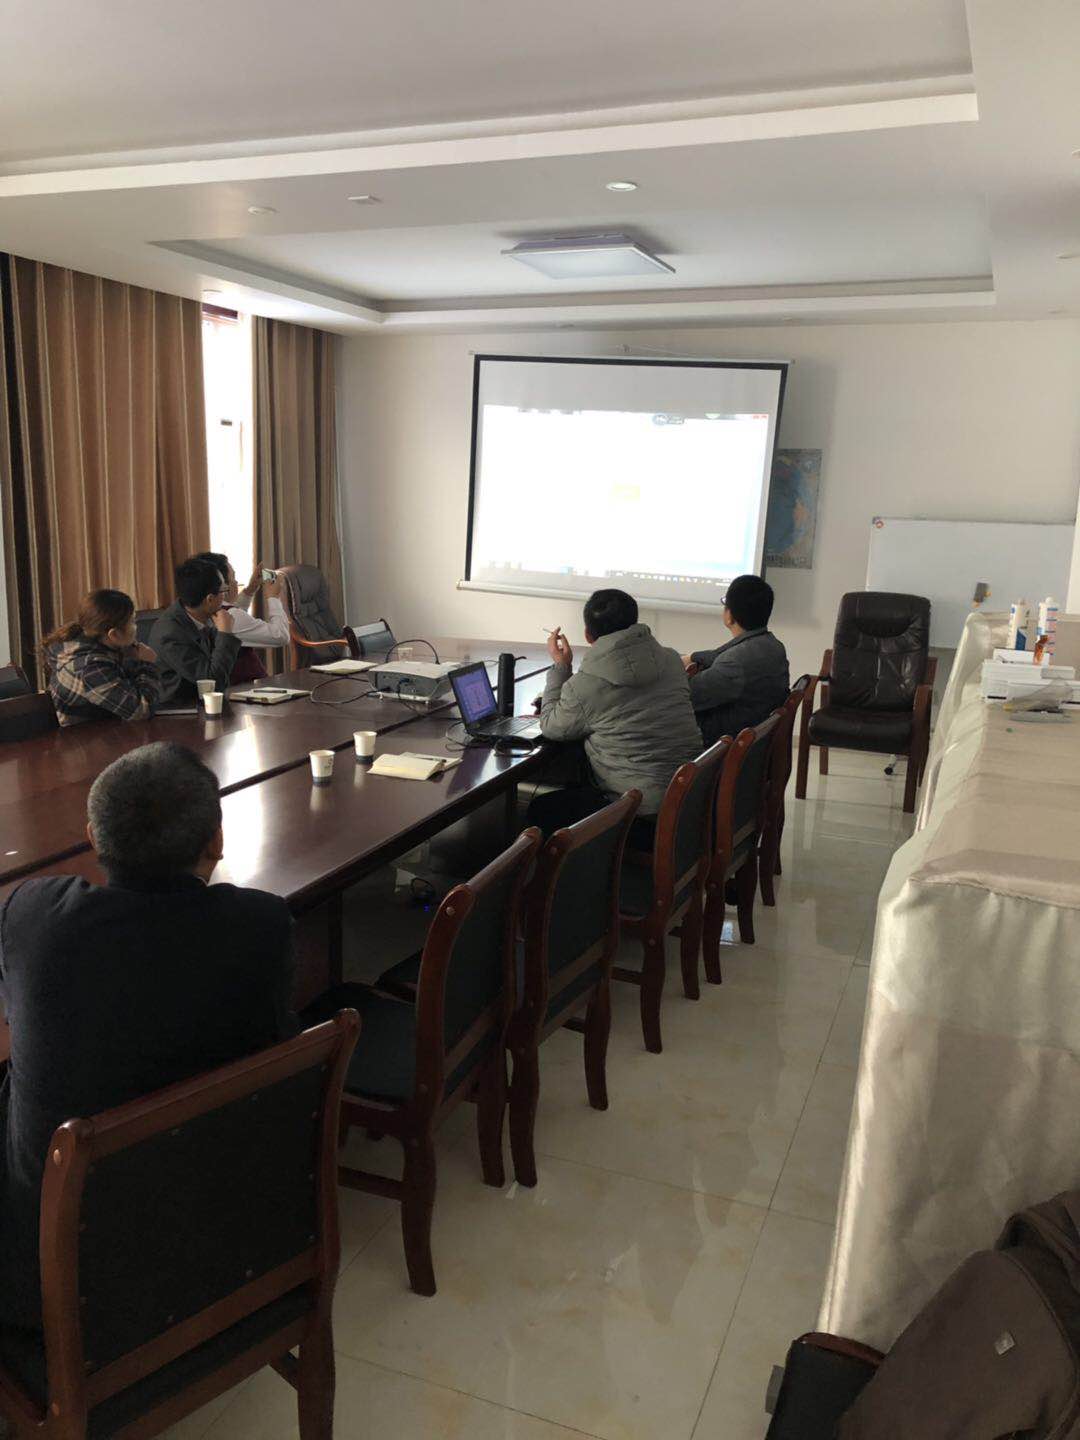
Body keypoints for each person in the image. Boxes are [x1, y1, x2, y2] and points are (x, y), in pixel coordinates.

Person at [0, 741, 297, 1327]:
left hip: (52, 1275)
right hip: (223, 1245)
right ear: (216, 840)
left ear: (93, 836)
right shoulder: (264, 926)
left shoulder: (35, 916)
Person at [529, 588, 703, 835]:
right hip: (690, 796)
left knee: (541, 809)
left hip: (640, 812)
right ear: (635, 622)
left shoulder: (585, 686)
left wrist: (561, 666)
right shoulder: (672, 660)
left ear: (588, 635)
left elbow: (550, 725)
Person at [683, 574, 790, 746]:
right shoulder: (773, 646)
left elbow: (684, 696)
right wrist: (692, 657)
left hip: (719, 744)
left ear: (729, 615)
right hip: (754, 738)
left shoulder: (734, 663)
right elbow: (722, 654)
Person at [40, 588, 161, 726]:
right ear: (114, 634)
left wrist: (131, 660)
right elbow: (141, 710)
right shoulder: (91, 668)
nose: (136, 627)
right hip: (83, 737)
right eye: (132, 622)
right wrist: (147, 665)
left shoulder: (99, 648)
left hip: (108, 731)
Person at [148, 556, 242, 704]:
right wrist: (225, 634)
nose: (225, 596)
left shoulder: (199, 615)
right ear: (210, 599)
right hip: (178, 710)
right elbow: (213, 683)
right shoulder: (170, 633)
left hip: (203, 704)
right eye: (224, 590)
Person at [194, 552, 291, 682]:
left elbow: (237, 621)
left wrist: (250, 590)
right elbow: (280, 636)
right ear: (222, 585)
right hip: (250, 686)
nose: (236, 582)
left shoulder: (202, 609)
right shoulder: (230, 616)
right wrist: (273, 597)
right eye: (233, 577)